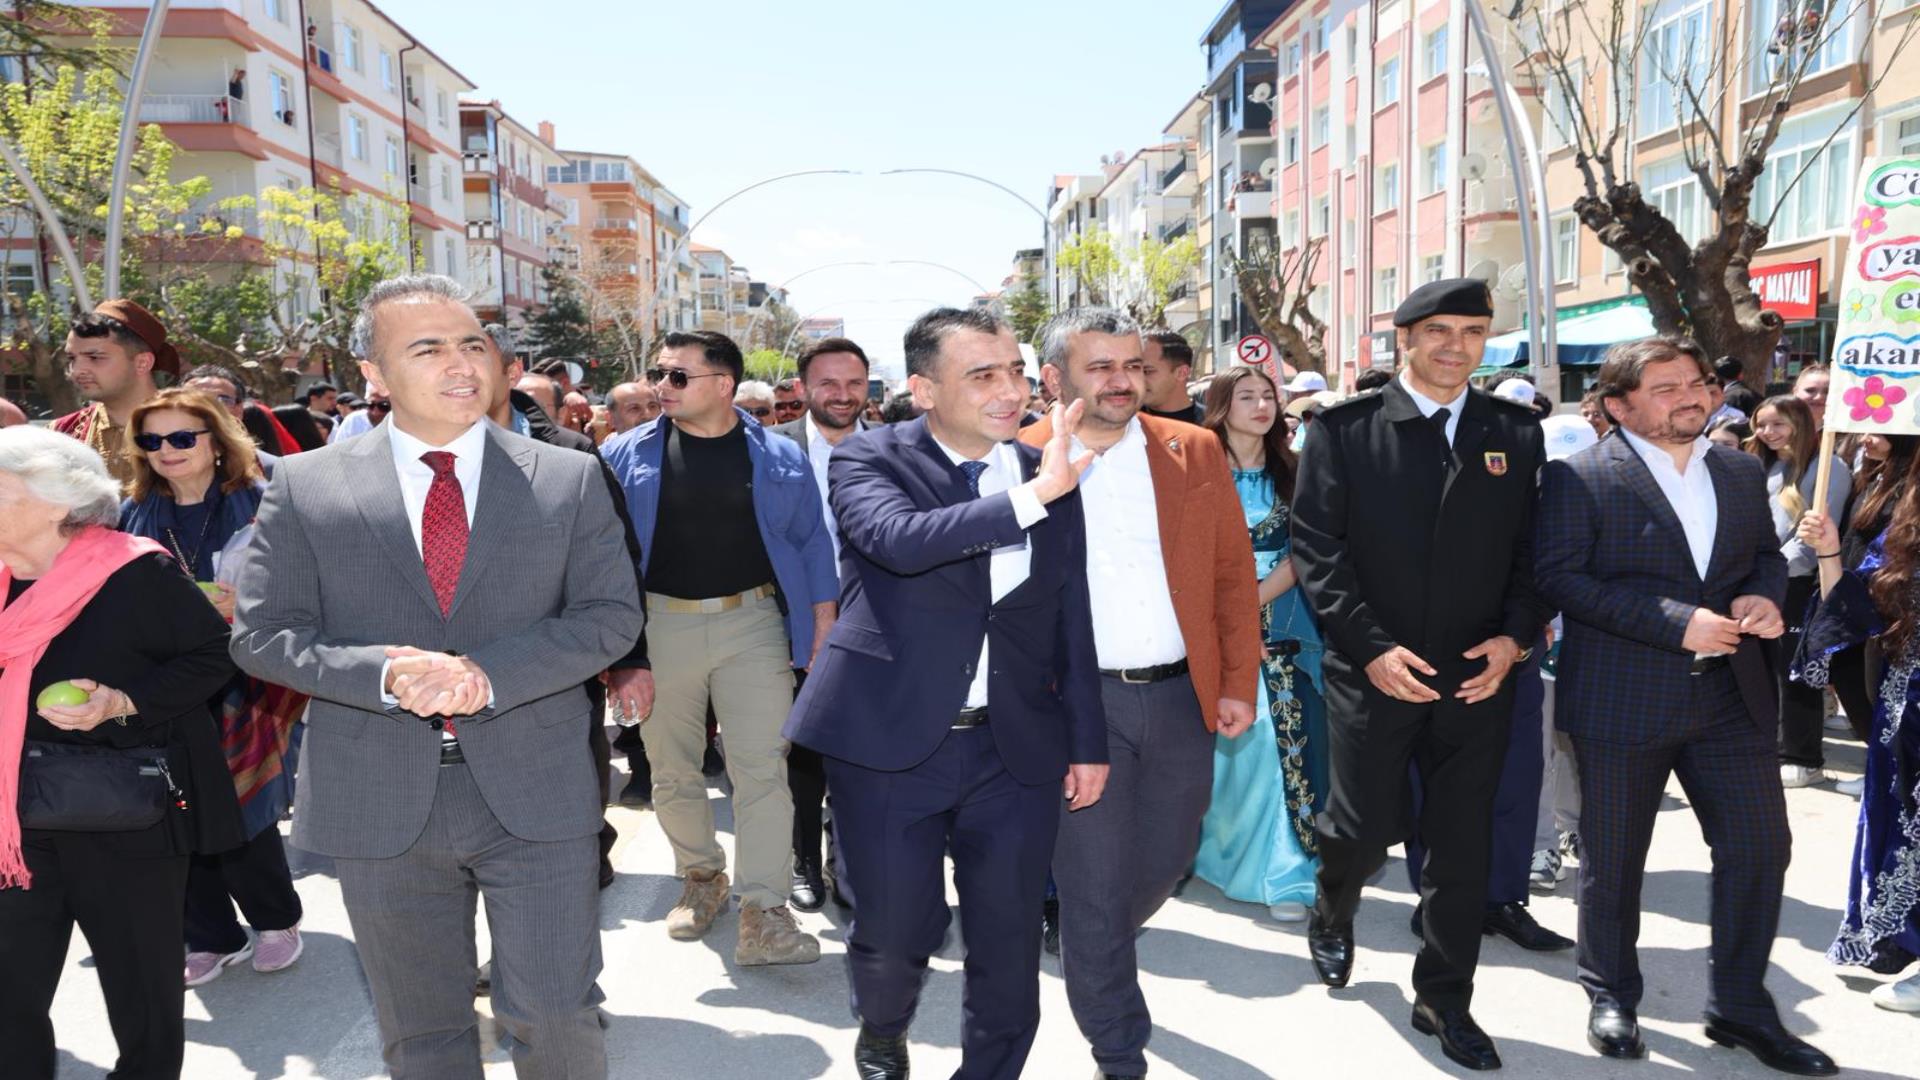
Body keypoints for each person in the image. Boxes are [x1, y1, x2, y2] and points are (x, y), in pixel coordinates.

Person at [228, 275, 643, 1079]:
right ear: (373, 373)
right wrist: (385, 675)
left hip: (536, 784)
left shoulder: (566, 475)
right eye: (428, 349)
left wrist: (486, 674)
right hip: (378, 792)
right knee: (422, 1032)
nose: (461, 365)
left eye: (472, 345)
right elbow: (264, 635)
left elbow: (608, 616)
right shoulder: (307, 484)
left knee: (556, 1013)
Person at [784, 306, 1106, 1080]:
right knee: (896, 931)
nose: (1010, 391)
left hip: (1014, 748)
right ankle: (883, 1026)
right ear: (924, 390)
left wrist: (1087, 742)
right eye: (983, 375)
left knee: (1009, 940)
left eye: (1017, 372)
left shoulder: (1044, 467)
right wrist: (1036, 496)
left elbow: (1070, 611)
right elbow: (898, 541)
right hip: (887, 740)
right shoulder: (869, 458)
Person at [1535, 335, 1834, 1074]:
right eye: (1666, 388)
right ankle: (1611, 994)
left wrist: (1762, 596)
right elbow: (1561, 579)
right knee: (1614, 861)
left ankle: (1740, 1006)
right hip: (1623, 700)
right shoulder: (1577, 477)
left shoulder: (1737, 469)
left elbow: (1762, 556)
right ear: (1618, 405)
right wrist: (1676, 623)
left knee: (1759, 849)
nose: (1692, 397)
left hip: (1731, 696)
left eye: (1697, 382)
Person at [1290, 277, 1544, 1071]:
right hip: (1374, 670)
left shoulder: (1515, 431)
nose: (1455, 347)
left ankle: (1444, 997)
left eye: (1472, 332)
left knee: (1460, 844)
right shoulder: (1345, 429)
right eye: (1439, 331)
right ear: (1405, 338)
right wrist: (1371, 648)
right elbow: (1318, 551)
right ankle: (1334, 907)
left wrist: (1514, 640)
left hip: (1476, 676)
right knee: (1363, 829)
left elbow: (1533, 553)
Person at [1022, 309, 1258, 1079]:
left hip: (1181, 699)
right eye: (1100, 366)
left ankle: (1088, 944)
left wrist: (1236, 682)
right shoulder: (1018, 459)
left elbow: (1231, 576)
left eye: (1133, 365)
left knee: (1165, 860)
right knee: (1094, 886)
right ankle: (1119, 1051)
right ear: (1055, 378)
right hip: (1078, 707)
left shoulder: (1193, 448)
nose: (1122, 381)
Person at [0, 426, 244, 1080]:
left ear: (55, 501)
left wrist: (121, 702)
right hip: (12, 822)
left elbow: (214, 655)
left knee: (140, 990)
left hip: (121, 815)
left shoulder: (133, 571)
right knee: (8, 989)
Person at [599, 330, 836, 967]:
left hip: (753, 622)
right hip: (658, 626)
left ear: (723, 384)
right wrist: (616, 649)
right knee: (672, 769)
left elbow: (813, 543)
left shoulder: (779, 455)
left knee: (762, 768)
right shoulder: (623, 453)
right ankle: (702, 877)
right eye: (658, 374)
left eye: (678, 376)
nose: (662, 387)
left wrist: (822, 628)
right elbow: (599, 551)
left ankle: (765, 911)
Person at [119, 388, 308, 986]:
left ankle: (275, 920)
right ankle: (209, 935)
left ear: (216, 441)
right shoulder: (132, 512)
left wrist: (248, 603)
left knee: (239, 800)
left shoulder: (263, 501)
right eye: (151, 440)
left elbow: (308, 581)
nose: (166, 450)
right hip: (164, 676)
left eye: (181, 437)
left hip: (244, 673)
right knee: (173, 803)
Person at [1194, 365, 1325, 923]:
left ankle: (1284, 873)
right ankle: (1210, 855)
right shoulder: (1193, 471)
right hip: (1202, 624)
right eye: (1246, 396)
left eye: (1268, 395)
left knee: (1277, 747)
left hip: (1282, 625)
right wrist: (1223, 622)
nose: (1261, 405)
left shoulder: (1297, 470)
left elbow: (1307, 551)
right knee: (1220, 754)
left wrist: (1243, 612)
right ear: (1221, 406)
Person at [1798, 496, 1920, 1013]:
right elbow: (1856, 607)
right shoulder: (1909, 525)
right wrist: (1829, 552)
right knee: (1905, 835)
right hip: (1906, 711)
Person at [768, 335, 871, 912]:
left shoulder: (895, 448)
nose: (842, 394)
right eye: (828, 383)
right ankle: (803, 860)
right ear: (803, 387)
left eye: (854, 383)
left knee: (860, 751)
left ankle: (848, 862)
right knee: (801, 751)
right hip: (791, 622)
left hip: (872, 622)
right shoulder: (769, 449)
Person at [1747, 394, 1851, 787]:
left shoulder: (1828, 467)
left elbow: (1818, 536)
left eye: (1778, 423)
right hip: (1758, 582)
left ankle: (1802, 756)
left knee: (1795, 671)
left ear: (1800, 423)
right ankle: (1773, 746)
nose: (1767, 432)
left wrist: (1770, 572)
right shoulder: (1763, 464)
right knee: (1763, 671)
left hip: (1799, 583)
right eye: (1761, 424)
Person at [53, 299, 181, 487]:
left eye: (95, 357)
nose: (77, 370)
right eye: (72, 358)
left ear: (142, 363)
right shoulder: (61, 433)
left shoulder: (196, 429)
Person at [1140, 329, 1203, 425]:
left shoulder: (1214, 425)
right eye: (1134, 369)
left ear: (1182, 373)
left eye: (1147, 371)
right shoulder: (1124, 424)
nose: (1138, 379)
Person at [1793, 364, 1830, 432]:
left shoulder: (1847, 434)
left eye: (1827, 392)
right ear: (1795, 392)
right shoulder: (1778, 428)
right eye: (1810, 390)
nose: (1819, 397)